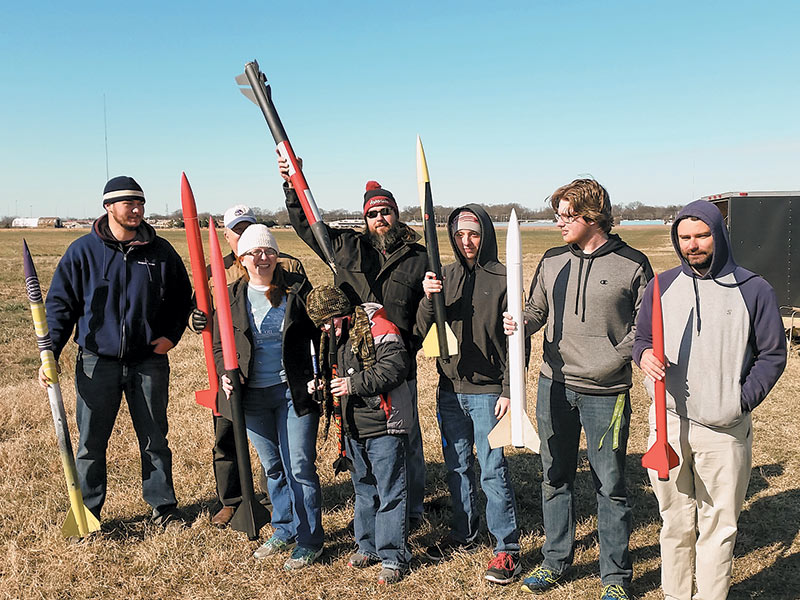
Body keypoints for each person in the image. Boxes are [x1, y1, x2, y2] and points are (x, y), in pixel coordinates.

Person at [504, 179, 652, 600]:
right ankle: (555, 562)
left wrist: (609, 363)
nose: (559, 223)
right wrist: (521, 323)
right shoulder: (552, 262)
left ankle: (616, 579)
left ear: (593, 217)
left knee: (610, 484)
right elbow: (536, 309)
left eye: (567, 215)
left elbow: (644, 331)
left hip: (607, 393)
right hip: (555, 386)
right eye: (557, 215)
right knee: (555, 477)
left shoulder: (634, 263)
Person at [633, 200, 786, 600]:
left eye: (702, 235)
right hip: (667, 425)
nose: (693, 245)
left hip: (723, 430)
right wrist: (644, 356)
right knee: (674, 522)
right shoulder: (661, 286)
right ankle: (675, 594)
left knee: (718, 525)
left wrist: (739, 400)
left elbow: (773, 354)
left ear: (719, 234)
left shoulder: (754, 289)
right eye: (685, 237)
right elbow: (644, 340)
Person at [279, 157, 428, 526]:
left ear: (396, 214)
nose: (380, 217)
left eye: (387, 211)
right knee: (360, 437)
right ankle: (371, 508)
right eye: (373, 212)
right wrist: (291, 184)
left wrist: (412, 343)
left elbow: (428, 307)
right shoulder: (345, 248)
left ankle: (412, 509)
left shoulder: (419, 257)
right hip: (352, 361)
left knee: (405, 435)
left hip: (397, 359)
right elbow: (307, 226)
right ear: (365, 219)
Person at [39, 175, 192, 526]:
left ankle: (164, 507)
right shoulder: (82, 251)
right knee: (91, 442)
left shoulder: (160, 251)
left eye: (140, 204)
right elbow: (60, 306)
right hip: (96, 361)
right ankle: (87, 511)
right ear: (109, 207)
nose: (137, 210)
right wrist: (50, 353)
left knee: (155, 437)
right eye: (129, 204)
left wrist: (171, 336)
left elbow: (181, 298)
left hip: (148, 361)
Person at [416, 206, 522, 584]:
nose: (467, 242)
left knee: (492, 470)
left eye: (474, 234)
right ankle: (464, 531)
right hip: (449, 389)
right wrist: (430, 299)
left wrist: (509, 389)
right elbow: (421, 328)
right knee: (456, 466)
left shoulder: (505, 277)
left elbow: (516, 342)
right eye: (460, 235)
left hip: (488, 390)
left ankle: (506, 549)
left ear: (486, 234)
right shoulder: (444, 277)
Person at [212, 224, 323, 570]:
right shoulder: (229, 297)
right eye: (254, 252)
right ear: (242, 259)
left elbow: (320, 335)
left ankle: (309, 540)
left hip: (294, 392)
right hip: (252, 396)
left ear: (277, 256)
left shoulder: (297, 291)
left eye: (269, 251)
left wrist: (319, 374)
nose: (262, 257)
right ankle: (285, 527)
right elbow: (219, 345)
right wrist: (224, 376)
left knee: (300, 466)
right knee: (273, 467)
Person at [188, 203, 304, 528]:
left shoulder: (288, 268)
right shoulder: (215, 271)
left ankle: (282, 507)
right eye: (237, 230)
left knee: (286, 453)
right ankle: (232, 500)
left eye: (249, 228)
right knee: (226, 438)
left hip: (280, 380)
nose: (243, 236)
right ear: (227, 236)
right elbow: (200, 313)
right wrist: (194, 320)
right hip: (234, 374)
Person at [306, 285, 414, 585]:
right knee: (364, 489)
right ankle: (367, 547)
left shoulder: (381, 327)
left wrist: (351, 386)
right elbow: (335, 372)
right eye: (322, 325)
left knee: (391, 491)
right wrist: (321, 385)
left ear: (343, 313)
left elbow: (395, 368)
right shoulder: (332, 337)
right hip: (352, 427)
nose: (326, 328)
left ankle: (394, 556)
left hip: (384, 424)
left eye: (330, 321)